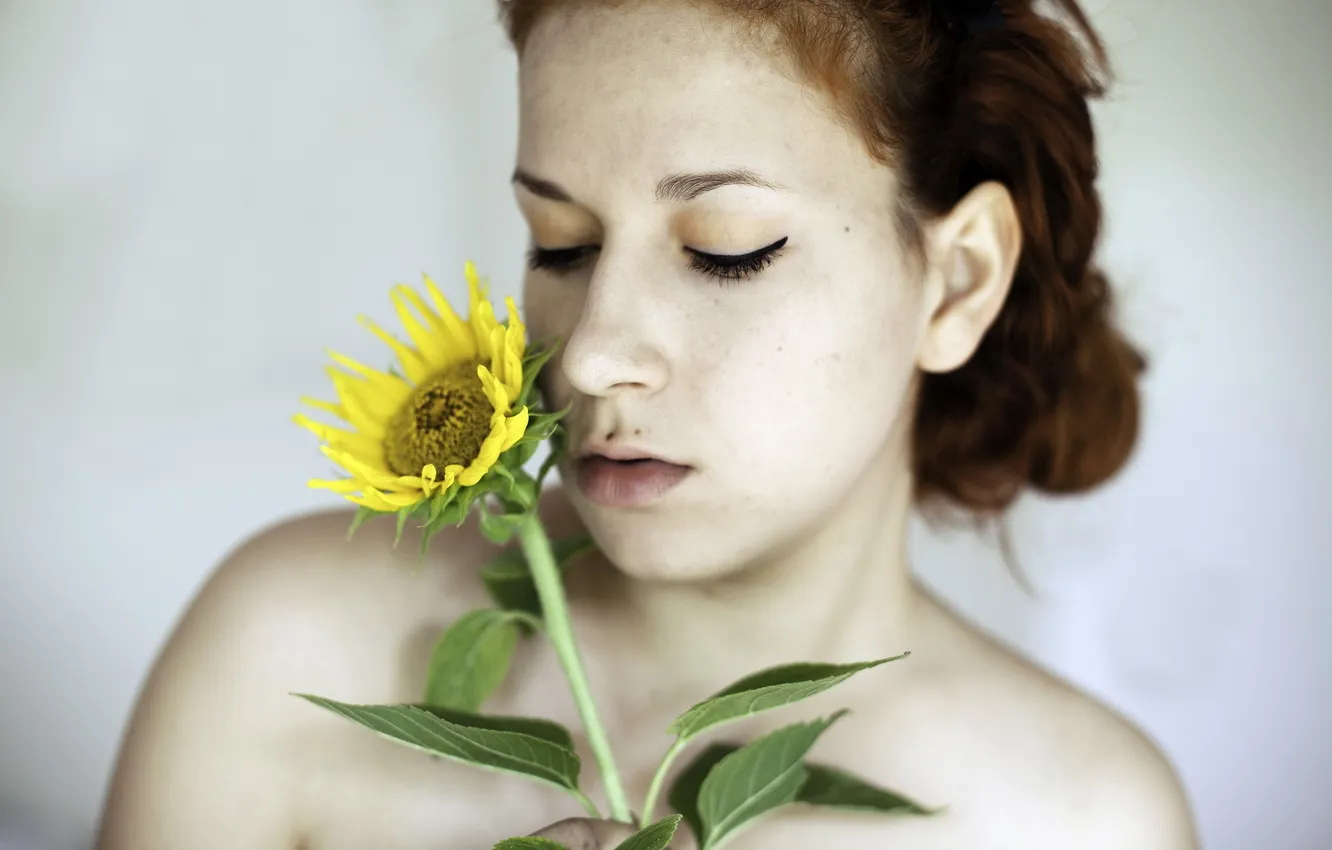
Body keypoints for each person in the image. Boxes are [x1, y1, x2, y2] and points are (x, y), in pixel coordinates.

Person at [95, 0, 1200, 848]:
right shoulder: (288, 644)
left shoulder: (1080, 816)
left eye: (727, 247)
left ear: (956, 282)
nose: (588, 352)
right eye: (561, 243)